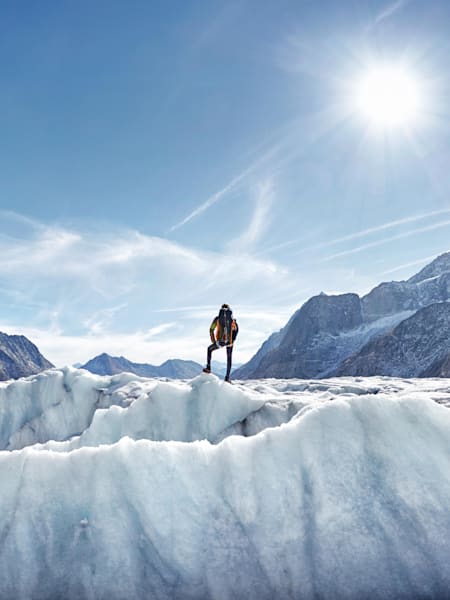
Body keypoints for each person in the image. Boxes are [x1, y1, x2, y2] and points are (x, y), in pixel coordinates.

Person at [203, 304, 239, 382]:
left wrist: (214, 341)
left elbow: (211, 329)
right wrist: (232, 341)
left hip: (220, 342)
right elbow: (236, 330)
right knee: (229, 358)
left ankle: (208, 368)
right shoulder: (232, 321)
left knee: (209, 349)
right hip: (229, 342)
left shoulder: (217, 319)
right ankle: (227, 378)